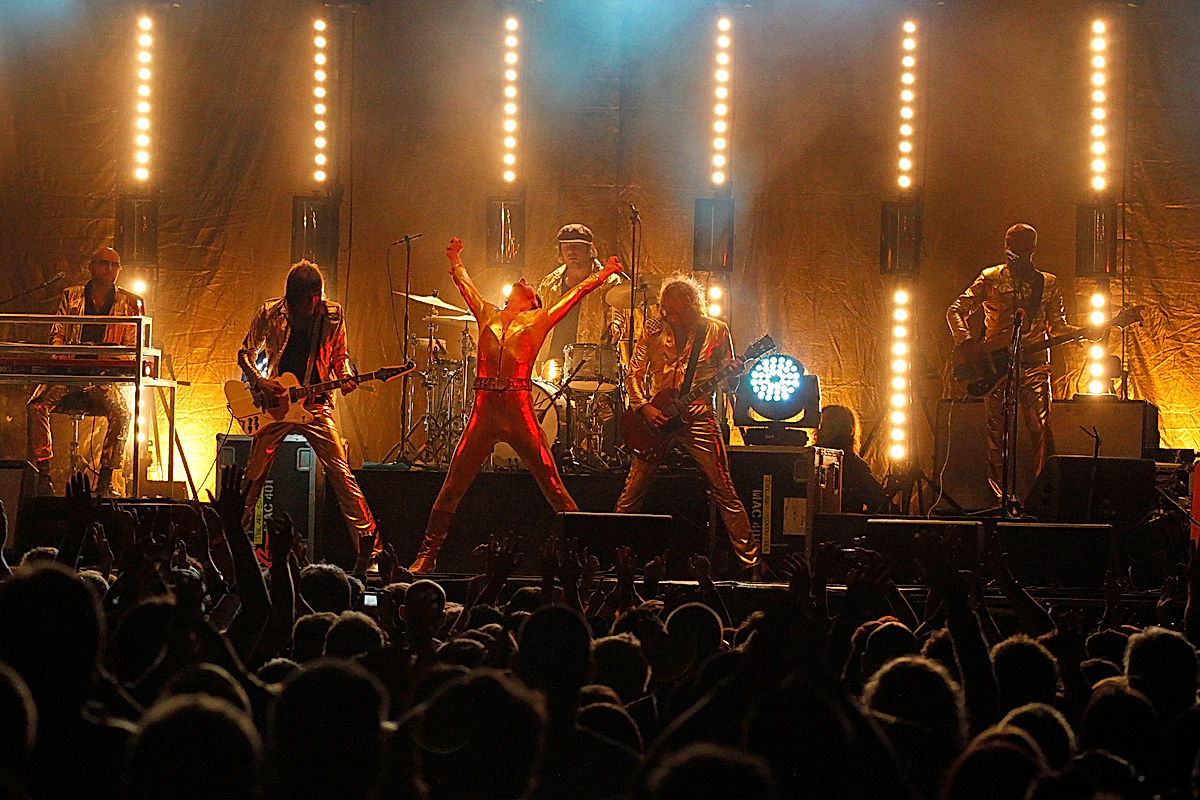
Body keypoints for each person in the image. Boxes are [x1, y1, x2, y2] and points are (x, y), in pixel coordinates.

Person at [408, 238, 623, 573]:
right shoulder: (488, 314)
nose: (524, 281)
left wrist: (604, 273)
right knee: (453, 484)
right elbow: (466, 287)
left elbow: (575, 294)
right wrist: (455, 258)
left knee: (552, 484)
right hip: (484, 411)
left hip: (518, 408)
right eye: (520, 282)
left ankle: (583, 554)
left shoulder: (539, 319)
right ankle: (428, 554)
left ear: (533, 302)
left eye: (530, 286)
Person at [613, 276, 763, 574]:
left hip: (698, 418)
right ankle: (614, 557)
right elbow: (632, 374)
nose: (673, 317)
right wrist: (643, 407)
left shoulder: (717, 331)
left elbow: (729, 386)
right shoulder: (653, 331)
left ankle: (752, 562)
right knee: (633, 490)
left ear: (695, 307)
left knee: (724, 490)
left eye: (679, 312)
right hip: (656, 420)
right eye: (668, 311)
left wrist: (733, 374)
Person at [237, 260, 377, 576]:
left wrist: (347, 375)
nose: (312, 305)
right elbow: (245, 353)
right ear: (291, 298)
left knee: (342, 476)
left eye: (316, 296)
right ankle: (228, 540)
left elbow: (341, 357)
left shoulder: (332, 315)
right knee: (254, 475)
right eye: (305, 299)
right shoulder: (271, 313)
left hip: (316, 404)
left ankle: (373, 553)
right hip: (277, 404)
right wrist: (260, 382)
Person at [946, 223, 1077, 504]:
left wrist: (1084, 333)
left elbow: (1057, 326)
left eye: (1019, 243)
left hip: (1034, 366)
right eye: (1009, 242)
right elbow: (956, 310)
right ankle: (1003, 499)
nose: (1012, 248)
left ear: (1032, 248)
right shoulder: (990, 277)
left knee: (1041, 432)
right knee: (998, 436)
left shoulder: (1048, 283)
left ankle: (1042, 499)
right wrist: (967, 344)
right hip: (997, 369)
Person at [27, 246, 143, 497]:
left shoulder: (130, 302)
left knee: (122, 413)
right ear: (90, 267)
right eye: (104, 263)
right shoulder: (72, 296)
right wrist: (64, 360)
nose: (110, 270)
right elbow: (56, 334)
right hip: (70, 373)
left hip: (103, 377)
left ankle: (105, 480)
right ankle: (43, 474)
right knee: (36, 405)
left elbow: (133, 347)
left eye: (115, 265)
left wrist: (105, 356)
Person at [535, 223, 626, 382]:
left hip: (590, 356)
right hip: (554, 353)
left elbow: (616, 310)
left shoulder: (609, 280)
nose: (571, 252)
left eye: (576, 247)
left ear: (589, 249)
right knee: (549, 397)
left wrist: (615, 325)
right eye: (566, 248)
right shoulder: (549, 283)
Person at [814, 404, 889, 514]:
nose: (820, 431)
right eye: (820, 425)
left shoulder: (856, 468)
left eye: (826, 426)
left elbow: (880, 504)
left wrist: (854, 523)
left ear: (841, 430)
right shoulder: (808, 460)